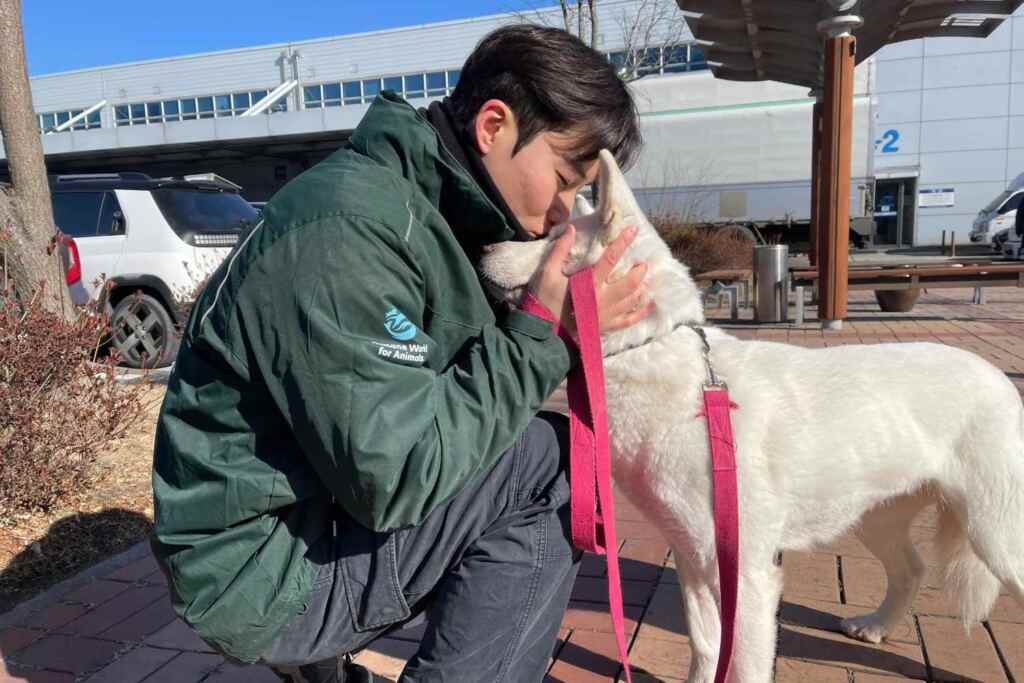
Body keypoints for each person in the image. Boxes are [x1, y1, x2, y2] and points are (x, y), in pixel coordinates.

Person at [151, 24, 652, 683]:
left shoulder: (423, 208)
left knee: (529, 445)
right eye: (564, 177)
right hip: (260, 575)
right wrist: (541, 331)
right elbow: (396, 477)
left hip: (292, 520)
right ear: (494, 126)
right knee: (552, 463)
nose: (567, 211)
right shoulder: (350, 229)